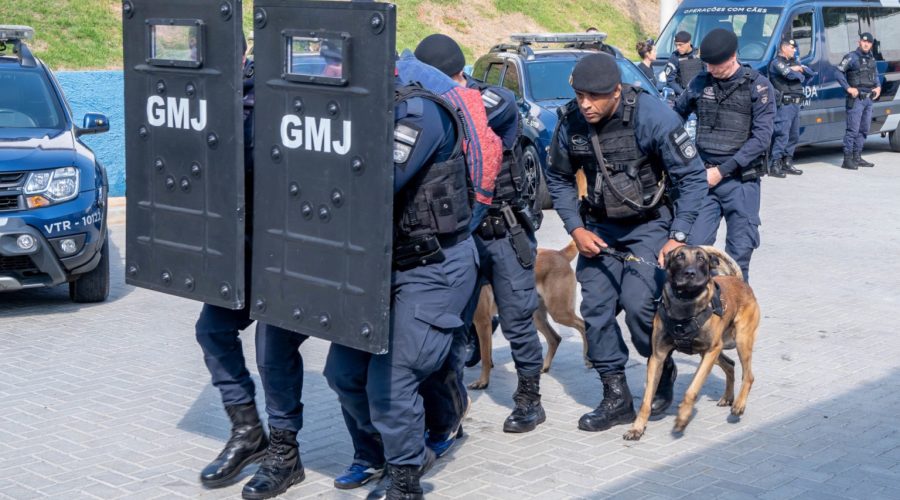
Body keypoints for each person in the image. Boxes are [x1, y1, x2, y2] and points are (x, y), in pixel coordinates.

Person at [323, 79, 479, 499]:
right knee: (342, 373)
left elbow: (376, 184)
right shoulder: (343, 108)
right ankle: (380, 453)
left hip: (434, 266)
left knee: (391, 379)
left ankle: (406, 478)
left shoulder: (416, 114)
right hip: (379, 268)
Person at [545, 53, 707, 432]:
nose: (585, 103)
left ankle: (661, 368)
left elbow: (693, 178)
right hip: (598, 230)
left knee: (638, 306)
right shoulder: (571, 122)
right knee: (597, 309)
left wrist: (677, 236)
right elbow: (558, 178)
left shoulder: (653, 116)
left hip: (649, 227)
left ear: (616, 92)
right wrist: (574, 229)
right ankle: (615, 395)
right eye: (579, 94)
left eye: (594, 96)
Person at [415, 33, 546, 439]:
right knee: (451, 324)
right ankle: (450, 409)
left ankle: (529, 399)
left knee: (518, 319)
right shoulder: (426, 106)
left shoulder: (492, 99)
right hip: (458, 236)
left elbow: (476, 113)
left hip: (501, 231)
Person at [195, 39, 308, 500]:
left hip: (288, 251)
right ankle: (247, 431)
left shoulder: (293, 99)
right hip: (240, 250)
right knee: (212, 330)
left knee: (272, 349)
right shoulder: (214, 100)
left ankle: (285, 452)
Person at [674, 28, 776, 282]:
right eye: (706, 64)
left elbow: (761, 139)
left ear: (732, 57)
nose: (710, 70)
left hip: (741, 181)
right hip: (705, 178)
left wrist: (722, 171)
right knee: (693, 249)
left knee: (738, 256)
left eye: (715, 65)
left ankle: (736, 316)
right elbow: (674, 117)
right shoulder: (700, 81)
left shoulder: (759, 87)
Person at [836, 32, 882, 170]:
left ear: (871, 45)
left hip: (869, 99)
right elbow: (837, 73)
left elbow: (876, 75)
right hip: (856, 100)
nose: (866, 44)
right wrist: (848, 88)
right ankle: (847, 159)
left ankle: (857, 157)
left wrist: (878, 87)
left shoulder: (871, 58)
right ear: (859, 42)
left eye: (869, 42)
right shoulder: (851, 57)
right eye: (864, 41)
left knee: (864, 130)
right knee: (853, 130)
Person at [769, 37, 813, 177]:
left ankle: (787, 162)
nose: (795, 50)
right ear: (784, 48)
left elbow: (810, 73)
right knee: (782, 134)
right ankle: (774, 164)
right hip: (785, 104)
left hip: (795, 104)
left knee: (793, 135)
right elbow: (789, 75)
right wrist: (796, 71)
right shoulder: (776, 63)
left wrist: (797, 69)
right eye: (792, 48)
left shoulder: (795, 62)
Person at [665, 31, 703, 97]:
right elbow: (670, 80)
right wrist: (683, 94)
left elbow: (707, 73)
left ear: (688, 42)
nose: (678, 47)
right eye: (676, 45)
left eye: (680, 45)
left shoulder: (699, 54)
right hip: (683, 95)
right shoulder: (674, 57)